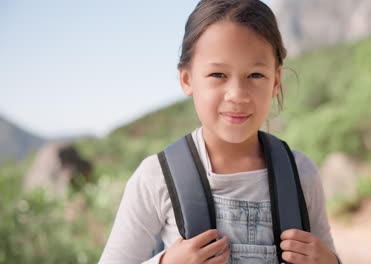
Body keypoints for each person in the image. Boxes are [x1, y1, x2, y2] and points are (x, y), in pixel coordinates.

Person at [99, 0, 341, 263]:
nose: (237, 95)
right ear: (187, 79)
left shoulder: (301, 174)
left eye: (255, 75)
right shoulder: (155, 178)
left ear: (276, 81)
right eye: (218, 74)